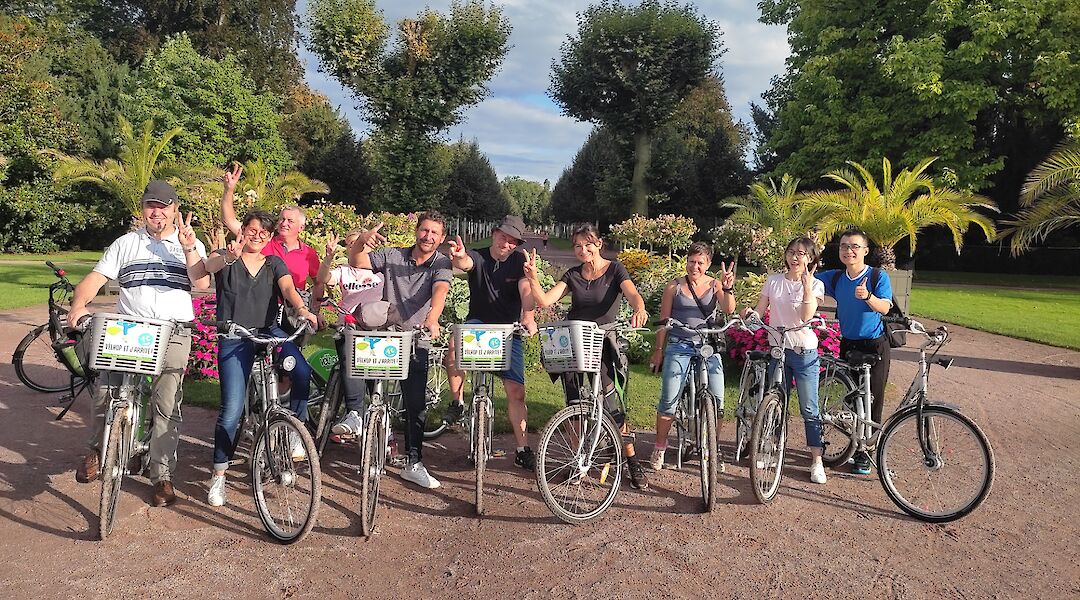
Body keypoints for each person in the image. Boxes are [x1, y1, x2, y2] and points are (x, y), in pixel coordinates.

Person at [67, 180, 210, 507]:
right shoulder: (126, 243)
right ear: (143, 209)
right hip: (130, 331)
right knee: (107, 391)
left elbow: (201, 282)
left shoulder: (189, 243)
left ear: (174, 209)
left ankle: (161, 475)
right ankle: (98, 450)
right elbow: (95, 279)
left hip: (173, 332)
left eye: (163, 206)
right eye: (151, 205)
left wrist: (189, 248)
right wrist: (78, 305)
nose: (156, 211)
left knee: (166, 403)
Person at [188, 210, 318, 507]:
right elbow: (205, 271)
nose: (257, 236)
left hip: (268, 331)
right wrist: (228, 258)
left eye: (264, 233)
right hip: (234, 335)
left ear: (270, 238)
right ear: (243, 230)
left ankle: (295, 429)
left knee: (300, 371)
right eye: (252, 230)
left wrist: (302, 311)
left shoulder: (273, 263)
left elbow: (289, 289)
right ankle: (219, 474)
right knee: (232, 410)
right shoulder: (226, 256)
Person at [523, 222, 651, 489]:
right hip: (574, 344)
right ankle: (576, 459)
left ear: (599, 244)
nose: (583, 250)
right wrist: (533, 278)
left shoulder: (614, 269)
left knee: (613, 406)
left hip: (602, 343)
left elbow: (632, 294)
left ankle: (631, 460)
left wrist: (639, 308)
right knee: (573, 404)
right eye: (578, 246)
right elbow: (545, 301)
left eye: (588, 244)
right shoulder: (572, 275)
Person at [350, 212, 452, 489]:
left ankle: (414, 462)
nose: (428, 236)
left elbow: (440, 290)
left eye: (434, 233)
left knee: (415, 403)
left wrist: (432, 319)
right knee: (369, 389)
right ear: (416, 231)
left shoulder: (441, 262)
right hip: (384, 335)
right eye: (424, 230)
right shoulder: (392, 255)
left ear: (441, 238)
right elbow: (356, 262)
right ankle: (367, 431)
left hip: (416, 337)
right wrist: (361, 242)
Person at [220, 163, 319, 421]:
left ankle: (296, 421)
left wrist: (308, 308)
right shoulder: (265, 243)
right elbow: (231, 220)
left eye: (290, 220)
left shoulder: (308, 252)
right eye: (282, 219)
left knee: (296, 368)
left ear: (300, 227)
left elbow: (307, 283)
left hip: (293, 309)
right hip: (267, 311)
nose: (284, 223)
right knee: (266, 366)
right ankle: (257, 410)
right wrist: (229, 190)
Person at [444, 215, 539, 470]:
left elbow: (526, 293)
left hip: (508, 330)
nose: (506, 244)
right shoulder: (479, 255)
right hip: (478, 325)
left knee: (516, 392)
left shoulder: (520, 261)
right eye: (503, 237)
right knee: (455, 345)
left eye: (512, 241)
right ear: (494, 233)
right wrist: (459, 256)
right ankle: (457, 402)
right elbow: (465, 263)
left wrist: (528, 313)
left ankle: (522, 449)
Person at [744, 236, 828, 484]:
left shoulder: (816, 286)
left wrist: (806, 286)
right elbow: (760, 312)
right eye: (792, 252)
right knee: (774, 402)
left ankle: (816, 460)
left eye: (801, 254)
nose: (795, 257)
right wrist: (750, 316)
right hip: (778, 350)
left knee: (809, 408)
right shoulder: (774, 281)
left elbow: (805, 315)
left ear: (810, 258)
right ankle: (771, 449)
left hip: (803, 352)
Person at [647, 242, 736, 471]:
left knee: (717, 400)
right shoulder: (673, 287)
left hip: (707, 345)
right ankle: (660, 446)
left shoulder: (715, 285)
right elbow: (663, 322)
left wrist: (727, 288)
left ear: (707, 264)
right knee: (669, 399)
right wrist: (659, 351)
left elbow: (728, 309)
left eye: (700, 262)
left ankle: (713, 448)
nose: (695, 266)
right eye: (692, 261)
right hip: (680, 344)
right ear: (686, 261)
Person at [815, 227, 894, 475]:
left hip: (874, 344)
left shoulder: (877, 277)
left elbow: (885, 308)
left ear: (865, 251)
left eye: (854, 246)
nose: (848, 251)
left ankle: (865, 452)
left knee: (873, 399)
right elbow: (808, 277)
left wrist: (868, 296)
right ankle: (852, 443)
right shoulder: (836, 278)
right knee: (852, 397)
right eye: (843, 246)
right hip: (848, 344)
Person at [314, 230, 384, 436]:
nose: (355, 247)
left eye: (359, 243)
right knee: (349, 358)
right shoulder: (343, 271)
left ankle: (380, 413)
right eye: (350, 244)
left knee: (376, 369)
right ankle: (355, 413)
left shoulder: (380, 272)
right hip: (349, 327)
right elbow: (322, 278)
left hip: (376, 328)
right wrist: (328, 258)